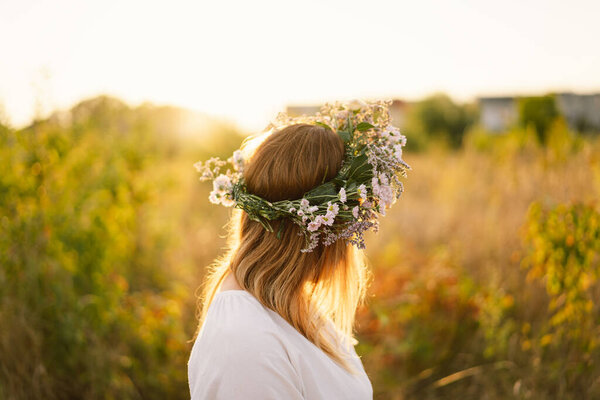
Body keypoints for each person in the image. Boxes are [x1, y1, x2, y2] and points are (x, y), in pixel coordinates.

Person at [189, 101, 409, 399]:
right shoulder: (244, 340)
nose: (352, 241)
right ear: (322, 225)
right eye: (354, 223)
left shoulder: (291, 304)